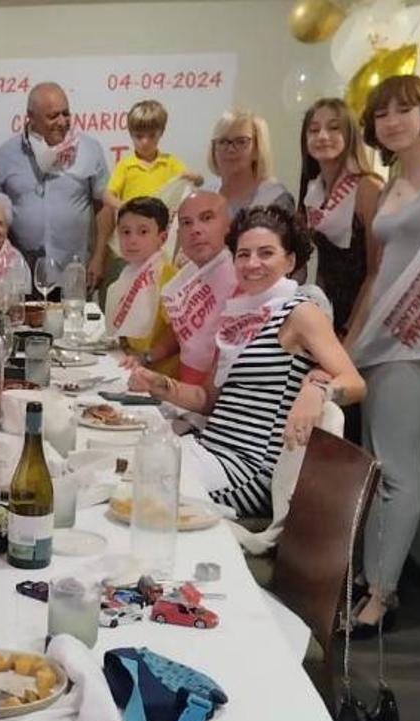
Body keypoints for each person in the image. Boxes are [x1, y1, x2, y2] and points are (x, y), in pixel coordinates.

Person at [128, 207, 364, 517]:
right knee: (123, 470)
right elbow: (207, 399)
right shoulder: (236, 317)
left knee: (145, 495)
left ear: (290, 262)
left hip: (250, 472)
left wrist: (319, 392)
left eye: (266, 253)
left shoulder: (300, 311)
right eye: (243, 254)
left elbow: (355, 382)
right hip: (207, 449)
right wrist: (159, 384)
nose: (252, 264)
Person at [346, 75, 420, 636]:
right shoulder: (387, 188)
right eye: (382, 114)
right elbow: (376, 274)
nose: (393, 122)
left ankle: (382, 596)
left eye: (404, 110)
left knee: (399, 469)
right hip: (381, 335)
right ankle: (370, 577)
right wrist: (349, 341)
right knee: (373, 464)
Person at [0, 82, 110, 286]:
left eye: (66, 114)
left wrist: (99, 257)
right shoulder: (5, 155)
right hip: (21, 274)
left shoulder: (90, 150)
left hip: (74, 273)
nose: (62, 122)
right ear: (31, 116)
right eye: (53, 116)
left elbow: (104, 206)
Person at [297, 97, 384, 337]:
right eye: (314, 130)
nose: (322, 136)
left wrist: (348, 333)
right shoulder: (313, 192)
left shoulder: (369, 188)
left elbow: (377, 272)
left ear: (350, 134)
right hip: (331, 317)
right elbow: (324, 267)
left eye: (334, 128)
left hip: (368, 320)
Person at [160, 190, 240, 384]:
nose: (195, 229)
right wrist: (145, 358)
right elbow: (182, 332)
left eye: (206, 218)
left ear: (228, 225)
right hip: (186, 390)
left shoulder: (243, 279)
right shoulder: (190, 273)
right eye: (187, 222)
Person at [104, 197, 180, 375]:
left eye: (143, 232)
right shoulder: (129, 272)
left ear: (162, 237)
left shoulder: (169, 277)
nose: (132, 240)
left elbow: (177, 331)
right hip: (133, 365)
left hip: (162, 375)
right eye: (125, 232)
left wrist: (146, 357)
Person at [102, 100, 203, 211]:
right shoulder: (125, 165)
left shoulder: (170, 162)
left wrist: (196, 177)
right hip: (134, 224)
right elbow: (107, 196)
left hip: (162, 225)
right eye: (139, 136)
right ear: (131, 134)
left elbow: (198, 182)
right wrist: (126, 208)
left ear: (161, 133)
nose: (145, 142)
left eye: (152, 135)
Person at [209, 108, 294, 218]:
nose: (230, 149)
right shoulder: (205, 196)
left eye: (241, 141)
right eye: (223, 141)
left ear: (257, 149)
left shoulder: (276, 198)